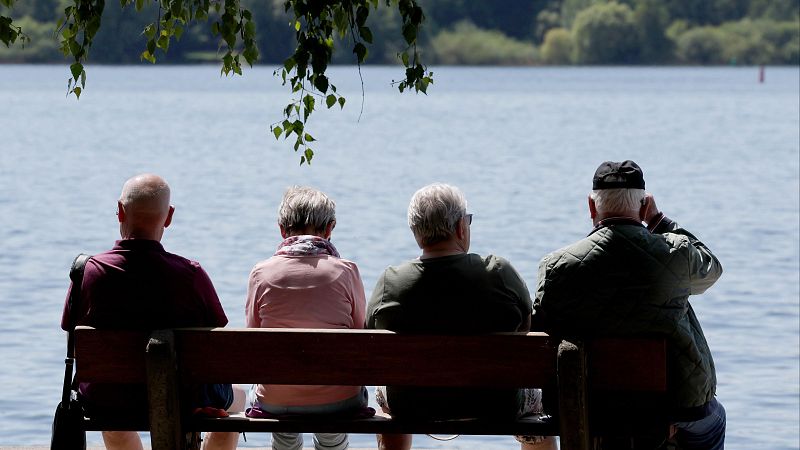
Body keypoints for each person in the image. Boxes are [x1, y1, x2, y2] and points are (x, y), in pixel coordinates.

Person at [534, 160, 725, 450]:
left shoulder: (556, 266)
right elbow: (712, 269)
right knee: (714, 419)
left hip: (590, 404)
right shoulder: (676, 254)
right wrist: (659, 220)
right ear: (644, 205)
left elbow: (542, 327)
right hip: (675, 405)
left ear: (591, 206)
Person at [366, 183, 557, 450]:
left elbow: (371, 337)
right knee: (537, 404)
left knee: (384, 398)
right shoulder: (498, 272)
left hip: (412, 405)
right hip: (497, 404)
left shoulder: (391, 282)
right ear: (460, 228)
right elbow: (527, 327)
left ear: (415, 232)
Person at [61, 173, 245, 450]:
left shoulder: (87, 273)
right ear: (169, 217)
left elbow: (71, 332)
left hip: (107, 399)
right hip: (183, 398)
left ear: (120, 211)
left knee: (109, 403)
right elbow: (216, 342)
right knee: (238, 398)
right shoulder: (190, 275)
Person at [245, 186, 368, 450]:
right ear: (330, 228)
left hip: (276, 400)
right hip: (339, 401)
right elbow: (361, 334)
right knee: (333, 422)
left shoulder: (260, 273)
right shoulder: (348, 272)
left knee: (277, 397)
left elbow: (253, 339)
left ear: (282, 229)